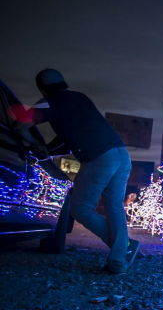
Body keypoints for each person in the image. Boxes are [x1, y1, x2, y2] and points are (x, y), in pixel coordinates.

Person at [13, 68, 140, 274]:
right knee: (114, 207)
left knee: (80, 208)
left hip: (99, 157)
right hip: (121, 153)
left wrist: (36, 143)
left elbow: (20, 127)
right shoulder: (79, 98)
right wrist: (47, 150)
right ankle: (118, 261)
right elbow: (67, 140)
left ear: (42, 89)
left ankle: (124, 247)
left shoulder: (50, 101)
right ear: (63, 83)